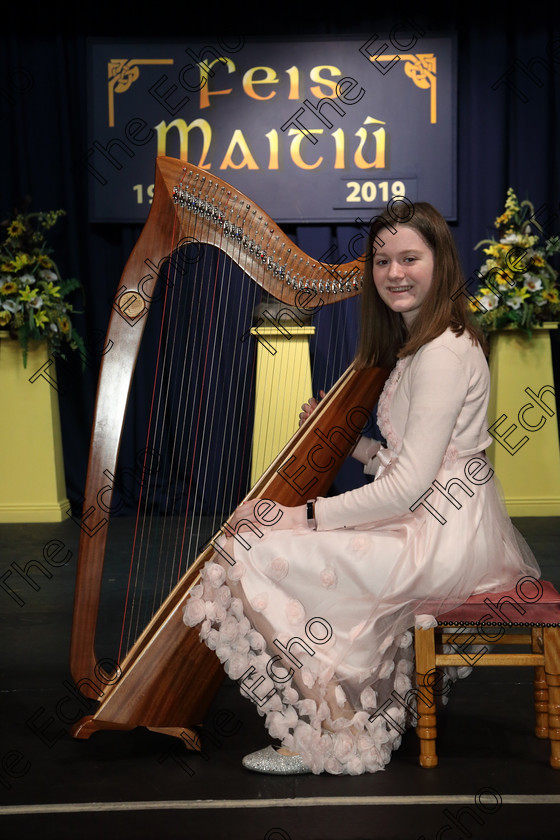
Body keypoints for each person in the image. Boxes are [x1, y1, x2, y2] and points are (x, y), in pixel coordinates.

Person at [183, 202, 540, 776]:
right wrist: (355, 446)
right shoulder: (426, 343)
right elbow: (417, 462)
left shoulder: (442, 353)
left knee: (251, 547)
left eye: (409, 259)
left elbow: (406, 490)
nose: (394, 273)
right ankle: (339, 715)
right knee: (264, 544)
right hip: (439, 517)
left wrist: (305, 517)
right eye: (382, 261)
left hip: (438, 534)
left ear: (440, 262)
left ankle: (332, 734)